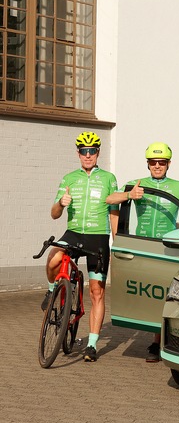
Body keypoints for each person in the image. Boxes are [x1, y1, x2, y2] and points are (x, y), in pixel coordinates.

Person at [106, 142, 179, 362]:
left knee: (167, 296)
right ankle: (156, 340)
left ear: (168, 164)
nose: (157, 166)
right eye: (154, 163)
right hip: (143, 246)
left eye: (162, 162)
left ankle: (158, 343)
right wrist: (129, 196)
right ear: (148, 164)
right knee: (147, 293)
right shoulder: (136, 184)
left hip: (170, 247)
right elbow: (110, 200)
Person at [44, 132, 119, 362]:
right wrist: (60, 203)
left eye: (92, 151)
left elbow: (114, 211)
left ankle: (92, 345)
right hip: (74, 233)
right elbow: (54, 214)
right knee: (53, 259)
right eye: (84, 151)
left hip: (97, 237)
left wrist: (116, 245)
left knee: (97, 291)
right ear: (78, 154)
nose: (88, 155)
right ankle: (50, 289)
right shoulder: (69, 178)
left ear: (98, 153)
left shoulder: (108, 178)